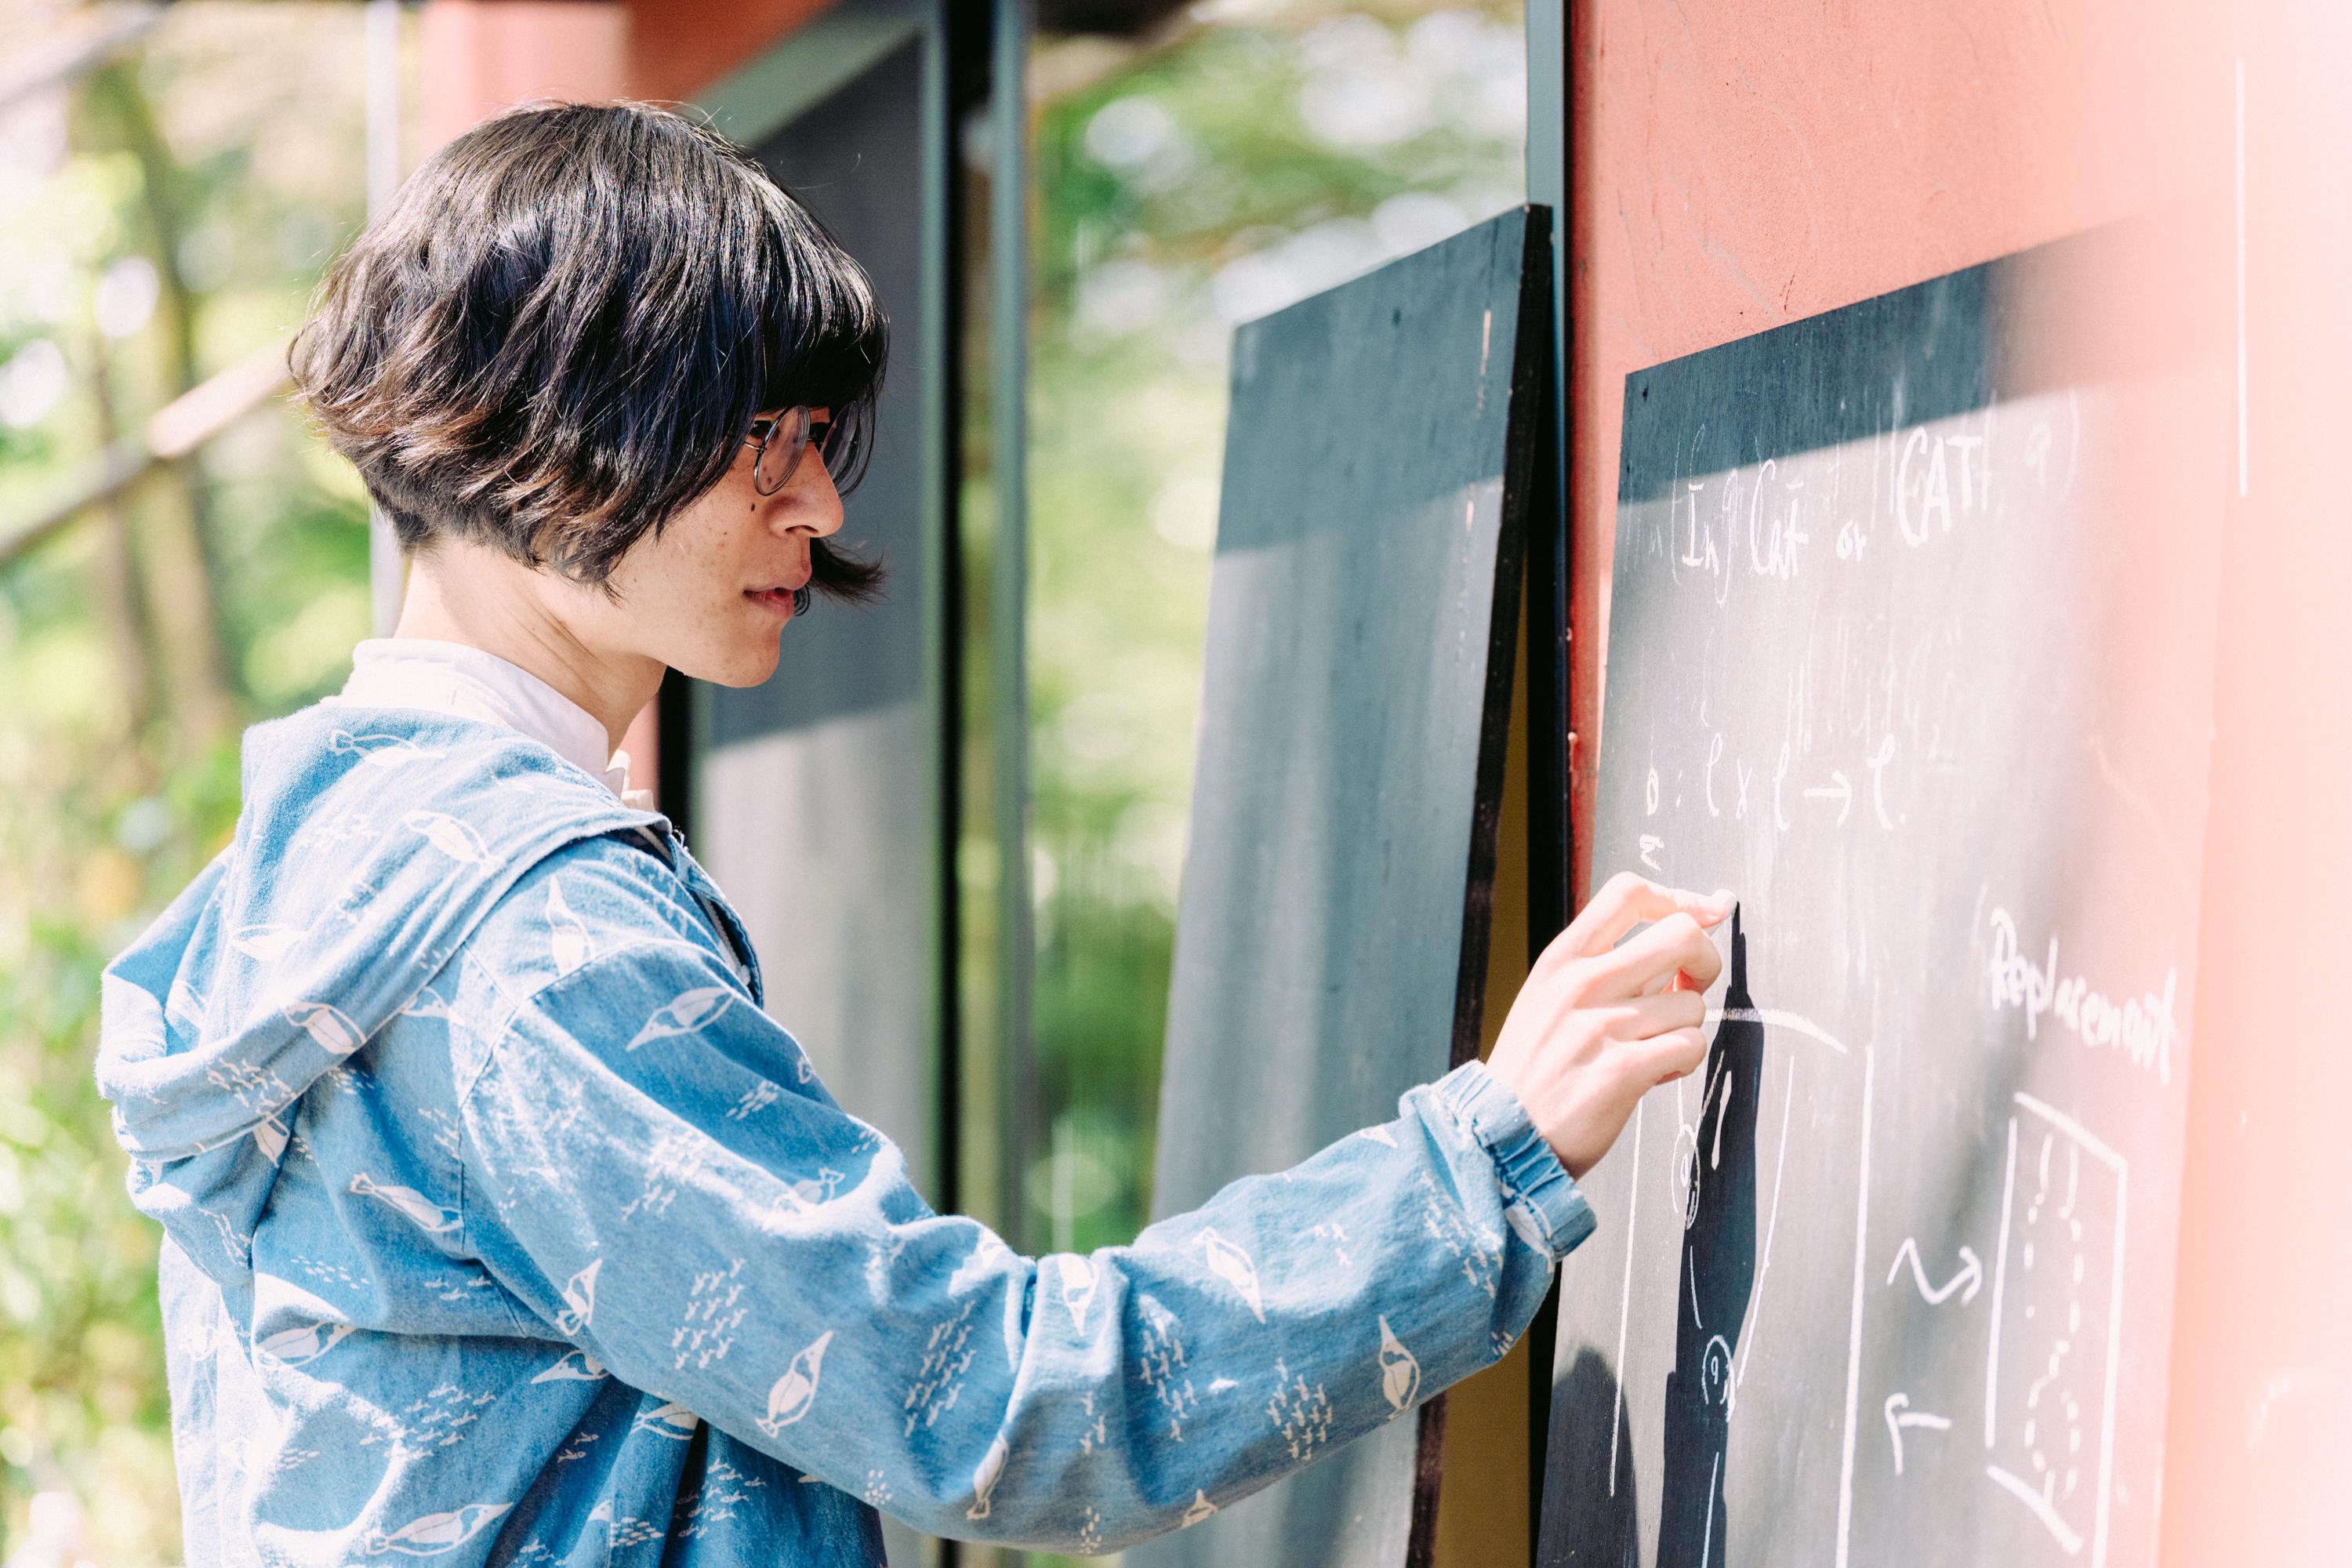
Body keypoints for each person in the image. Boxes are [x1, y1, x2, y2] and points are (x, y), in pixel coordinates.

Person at [94, 101, 1730, 1565]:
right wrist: (1484, 1164)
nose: (817, 504)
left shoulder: (308, 886)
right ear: (546, 425)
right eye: (758, 438)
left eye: (819, 439)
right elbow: (993, 1407)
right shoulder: (532, 944)